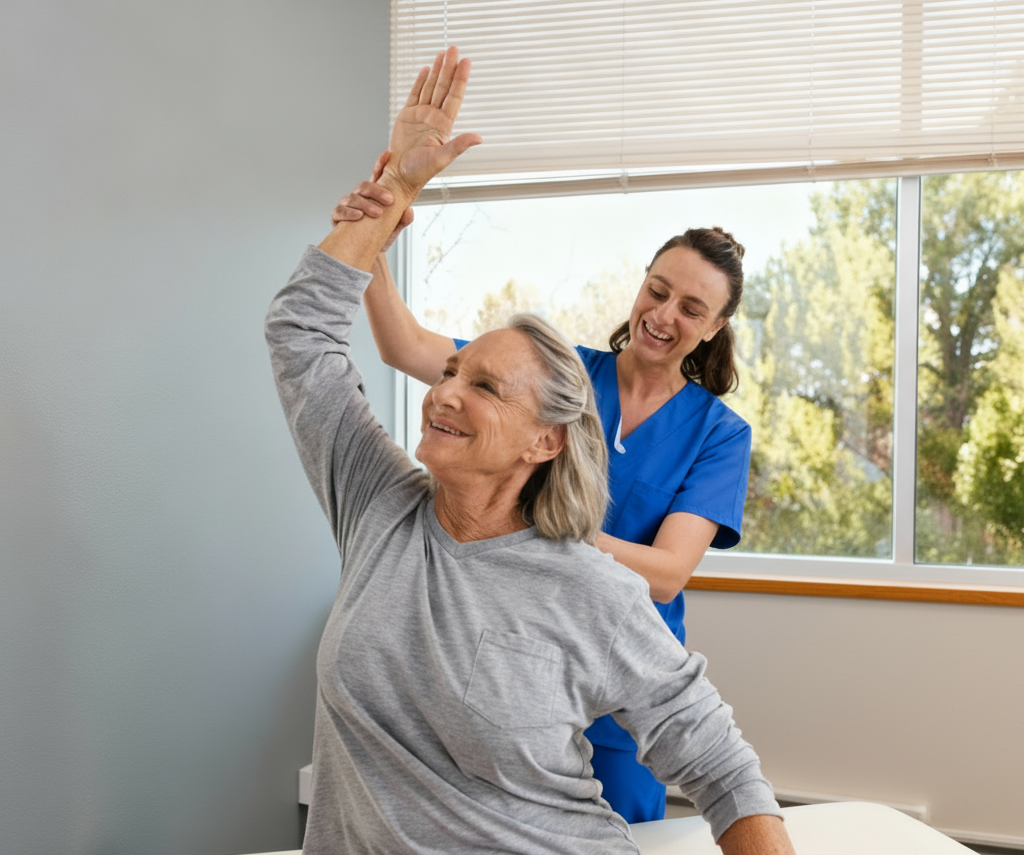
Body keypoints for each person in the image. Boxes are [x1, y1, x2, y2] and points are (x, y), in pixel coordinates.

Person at [266, 46, 795, 855]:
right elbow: (318, 337)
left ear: (547, 439)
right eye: (454, 374)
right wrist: (385, 204)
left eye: (483, 388)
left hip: (598, 659)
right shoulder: (383, 502)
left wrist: (554, 549)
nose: (444, 394)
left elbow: (714, 744)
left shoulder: (686, 468)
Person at [331, 117, 751, 829]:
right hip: (497, 660)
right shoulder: (555, 376)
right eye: (656, 290)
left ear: (713, 328)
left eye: (691, 308)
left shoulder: (718, 433)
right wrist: (370, 239)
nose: (663, 314)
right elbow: (405, 345)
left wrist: (549, 535)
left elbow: (668, 571)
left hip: (613, 678)